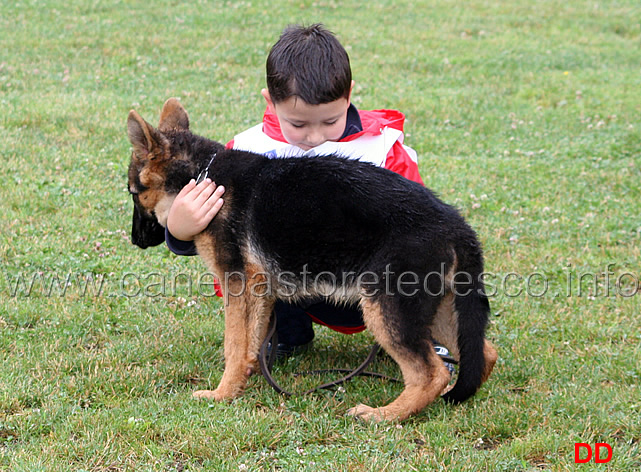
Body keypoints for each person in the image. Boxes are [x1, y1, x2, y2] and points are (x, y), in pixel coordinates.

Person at [165, 24, 439, 361]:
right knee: (252, 256)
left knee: (424, 270)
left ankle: (423, 336)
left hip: (369, 276)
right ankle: (285, 333)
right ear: (270, 101)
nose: (314, 136)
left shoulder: (383, 148)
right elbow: (224, 244)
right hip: (286, 281)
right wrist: (179, 231)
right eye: (298, 124)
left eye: (329, 121)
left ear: (349, 96)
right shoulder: (246, 149)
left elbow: (425, 230)